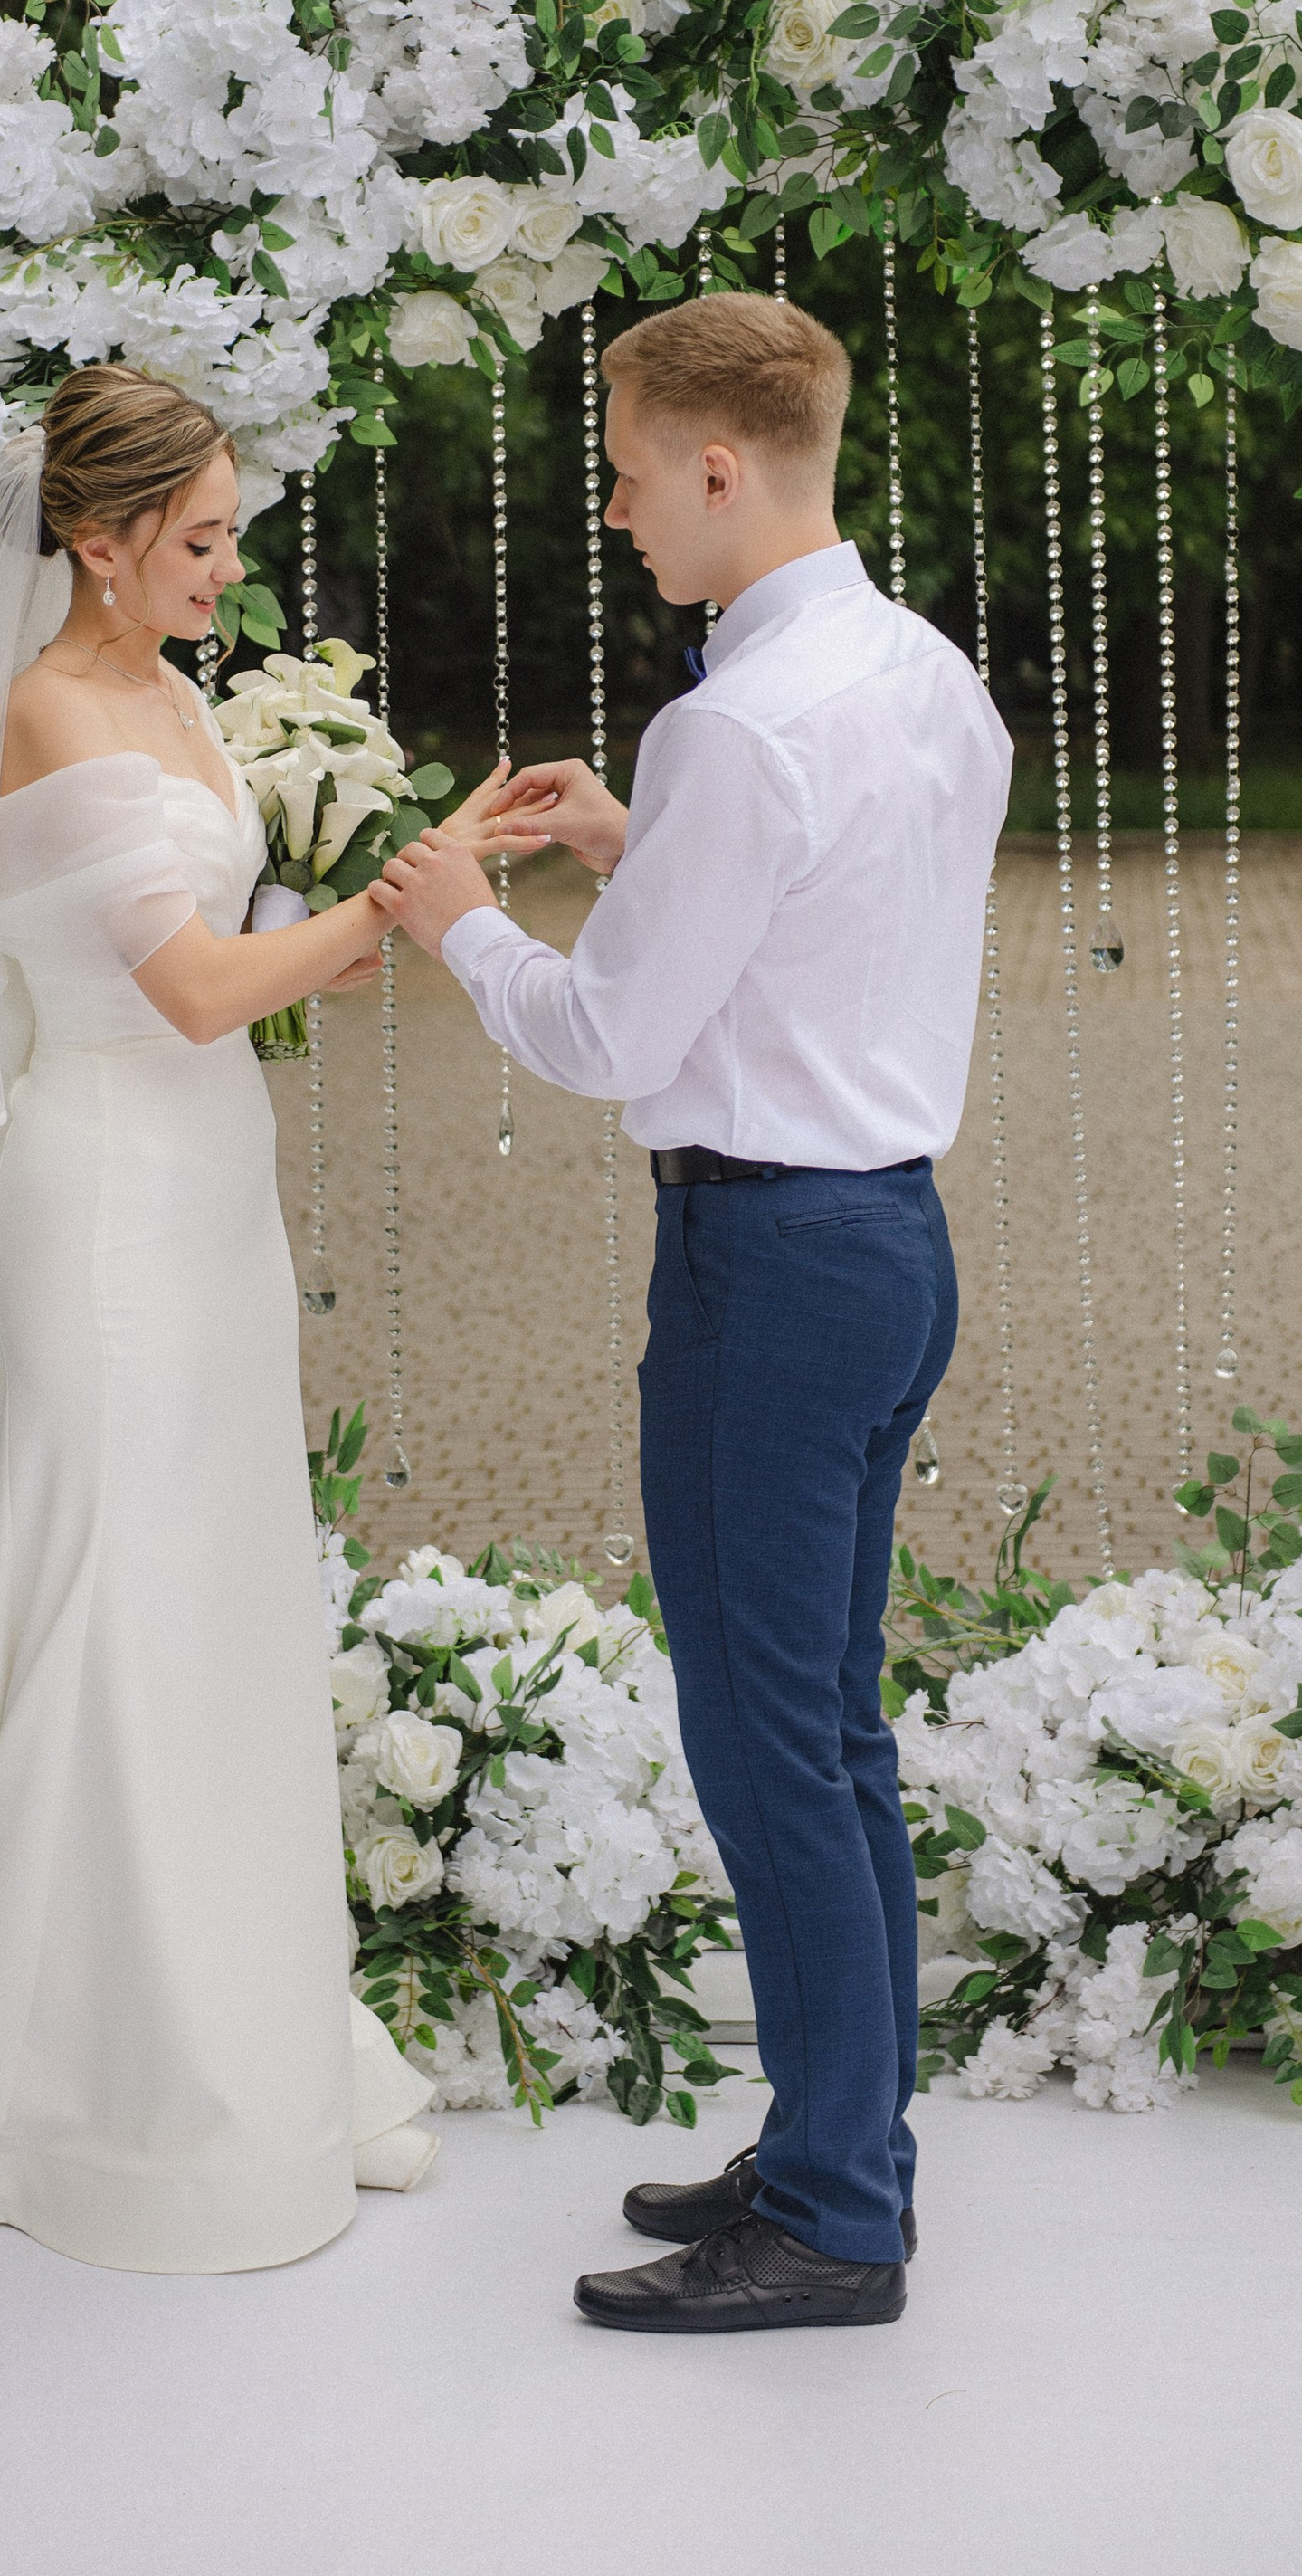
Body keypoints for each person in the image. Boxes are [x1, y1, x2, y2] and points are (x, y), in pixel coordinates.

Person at [373, 292, 1012, 2335]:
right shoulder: (919, 676)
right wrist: (638, 854)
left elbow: (611, 1031)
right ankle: (838, 2144)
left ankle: (832, 2215)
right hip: (885, 1237)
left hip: (763, 1266)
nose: (622, 504)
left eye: (633, 466)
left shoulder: (733, 720)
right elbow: (821, 943)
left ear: (721, 464)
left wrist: (459, 923)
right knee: (828, 1732)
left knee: (766, 1747)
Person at [0, 365, 495, 2271]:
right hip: (103, 1199)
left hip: (198, 1199)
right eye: (196, 539)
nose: (225, 567)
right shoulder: (43, 704)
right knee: (112, 1614)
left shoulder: (170, 690)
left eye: (230, 535)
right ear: (97, 542)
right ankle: (65, 2106)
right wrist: (398, 908)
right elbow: (196, 988)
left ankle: (239, 2039)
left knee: (204, 1607)